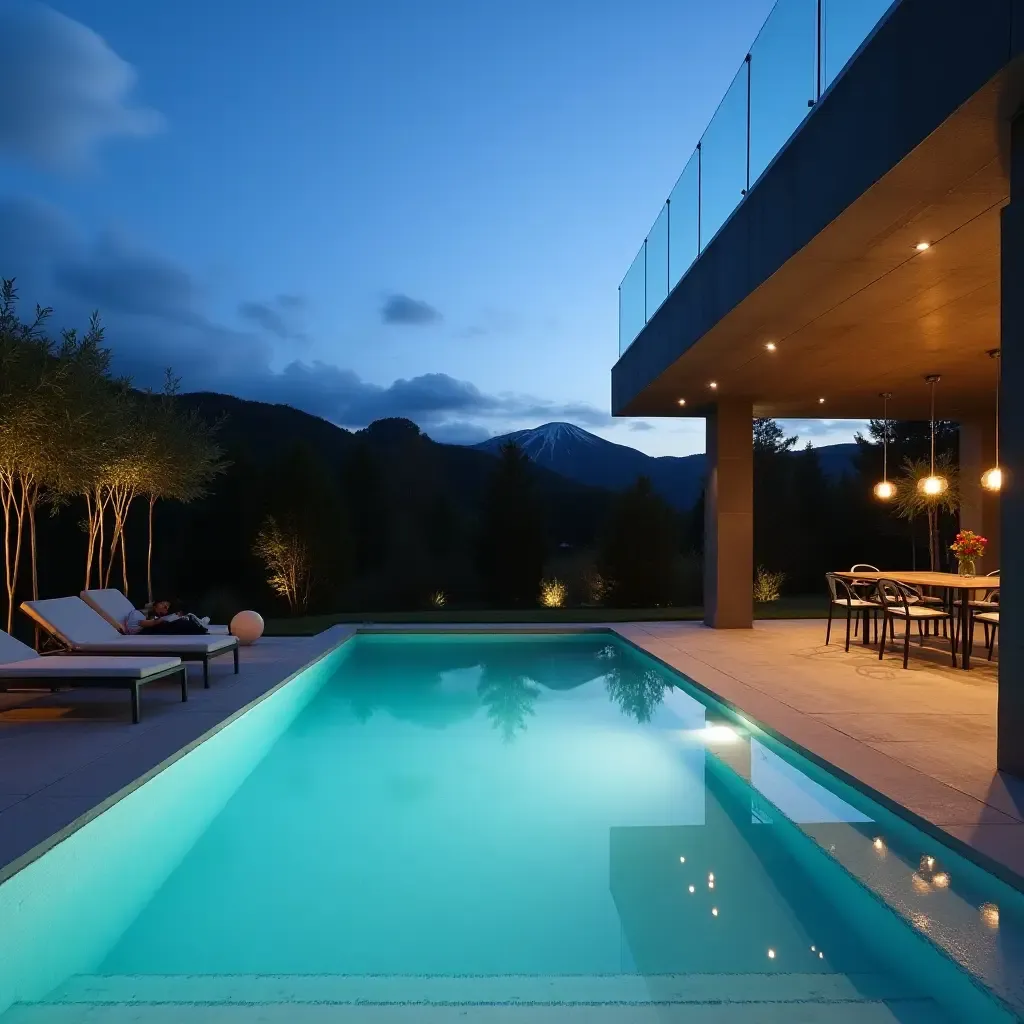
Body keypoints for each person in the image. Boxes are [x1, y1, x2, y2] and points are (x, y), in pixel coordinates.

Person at [124, 599, 209, 636]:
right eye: (163, 605)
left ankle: (196, 624)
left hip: (147, 628)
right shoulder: (137, 615)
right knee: (169, 625)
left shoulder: (145, 614)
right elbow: (146, 623)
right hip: (144, 631)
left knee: (171, 624)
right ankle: (197, 625)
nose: (164, 608)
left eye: (166, 608)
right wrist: (165, 618)